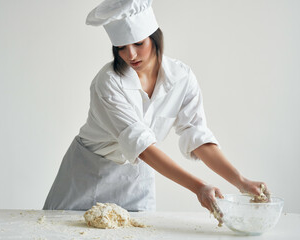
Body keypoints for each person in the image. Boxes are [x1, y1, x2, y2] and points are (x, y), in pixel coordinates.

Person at [43, 0, 269, 214]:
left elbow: (197, 137)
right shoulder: (108, 83)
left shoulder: (182, 78)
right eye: (121, 47)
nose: (130, 54)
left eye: (139, 43)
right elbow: (141, 145)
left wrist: (241, 181)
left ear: (155, 38)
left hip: (137, 174)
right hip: (88, 172)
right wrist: (199, 186)